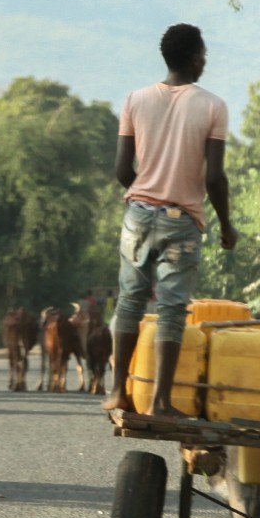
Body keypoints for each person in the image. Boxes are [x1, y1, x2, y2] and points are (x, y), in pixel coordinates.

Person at [105, 23, 236, 418]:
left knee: (129, 301)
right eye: (204, 54)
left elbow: (121, 170)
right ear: (196, 57)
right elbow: (214, 177)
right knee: (172, 308)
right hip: (182, 221)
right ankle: (161, 402)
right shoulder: (213, 106)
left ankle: (117, 392)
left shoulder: (135, 100)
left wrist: (146, 191)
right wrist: (227, 226)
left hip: (137, 215)